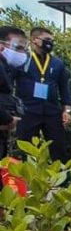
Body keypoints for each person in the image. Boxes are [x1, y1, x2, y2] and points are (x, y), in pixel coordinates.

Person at [14, 27, 71, 164]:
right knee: (27, 148)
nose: (50, 43)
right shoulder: (23, 60)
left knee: (59, 147)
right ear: (34, 40)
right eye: (47, 40)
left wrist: (67, 110)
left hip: (51, 111)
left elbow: (64, 88)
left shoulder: (57, 63)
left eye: (52, 41)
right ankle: (29, 181)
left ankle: (64, 181)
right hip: (27, 110)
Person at [0, 26, 26, 159]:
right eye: (18, 48)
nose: (22, 53)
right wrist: (8, 119)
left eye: (24, 49)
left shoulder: (6, 66)